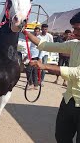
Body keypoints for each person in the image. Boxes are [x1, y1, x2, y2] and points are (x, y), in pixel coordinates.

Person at [26, 11, 80, 143]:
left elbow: (77, 72)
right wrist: (25, 32)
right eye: (74, 28)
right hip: (69, 99)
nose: (75, 32)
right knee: (61, 136)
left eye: (78, 28)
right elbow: (45, 45)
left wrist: (45, 66)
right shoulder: (74, 44)